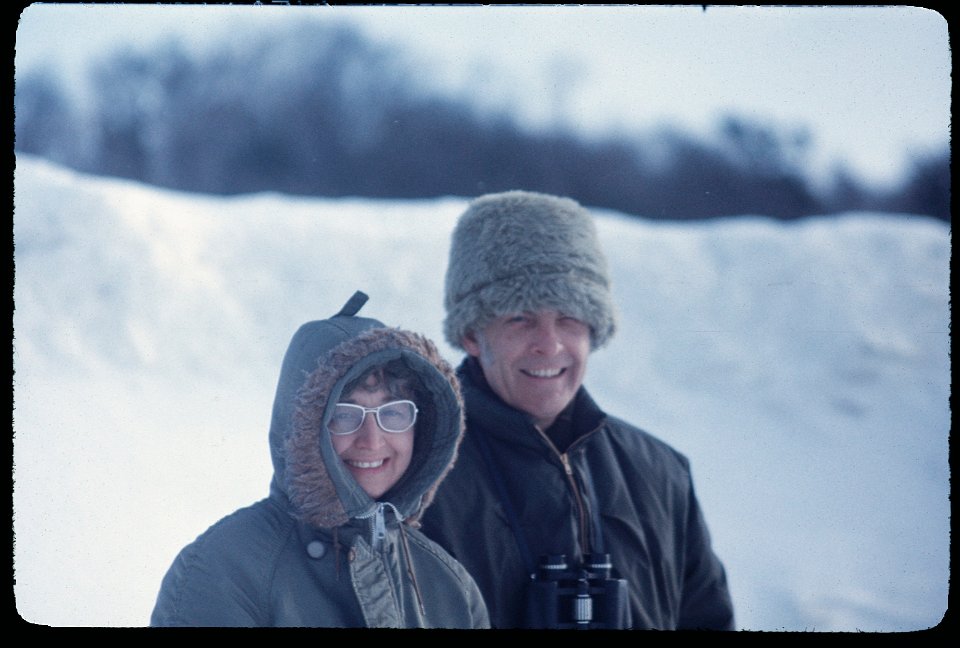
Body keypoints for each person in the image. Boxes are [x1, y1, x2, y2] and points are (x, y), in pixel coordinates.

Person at [419, 191, 735, 630]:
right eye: (520, 318)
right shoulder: (418, 475)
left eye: (569, 317)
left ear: (594, 330)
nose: (549, 344)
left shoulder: (661, 474)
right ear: (473, 335)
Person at [151, 291, 489, 628]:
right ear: (302, 427)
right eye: (344, 415)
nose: (372, 439)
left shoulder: (451, 586)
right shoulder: (224, 570)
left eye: (394, 412)